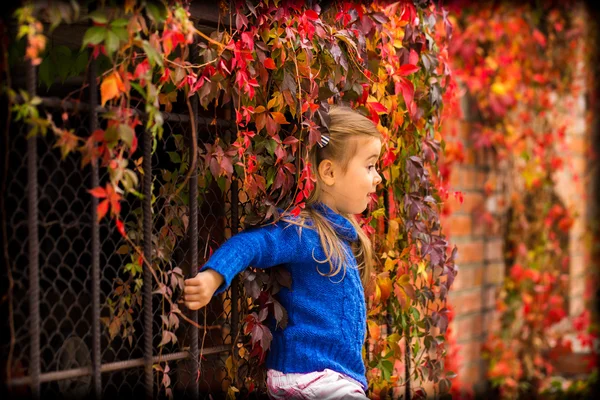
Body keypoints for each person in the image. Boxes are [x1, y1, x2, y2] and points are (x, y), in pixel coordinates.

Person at [183, 105, 382, 399]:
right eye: (369, 166)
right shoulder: (306, 233)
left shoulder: (335, 236)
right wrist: (214, 275)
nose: (377, 177)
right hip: (315, 377)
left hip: (323, 378)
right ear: (328, 172)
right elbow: (254, 243)